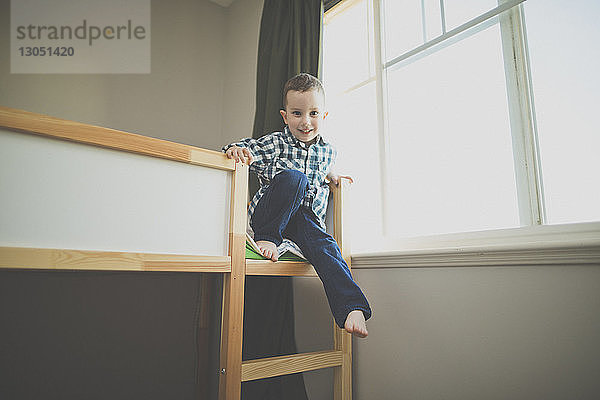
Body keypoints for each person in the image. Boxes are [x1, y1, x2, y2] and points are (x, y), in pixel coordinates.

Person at [222, 73, 371, 338]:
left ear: (324, 116)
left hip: (303, 221)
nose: (305, 122)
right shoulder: (276, 143)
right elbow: (247, 147)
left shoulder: (328, 151)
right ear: (285, 116)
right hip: (273, 213)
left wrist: (333, 176)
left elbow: (324, 167)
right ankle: (268, 238)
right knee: (295, 177)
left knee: (326, 244)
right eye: (297, 113)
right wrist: (235, 149)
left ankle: (351, 306)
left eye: (313, 113)